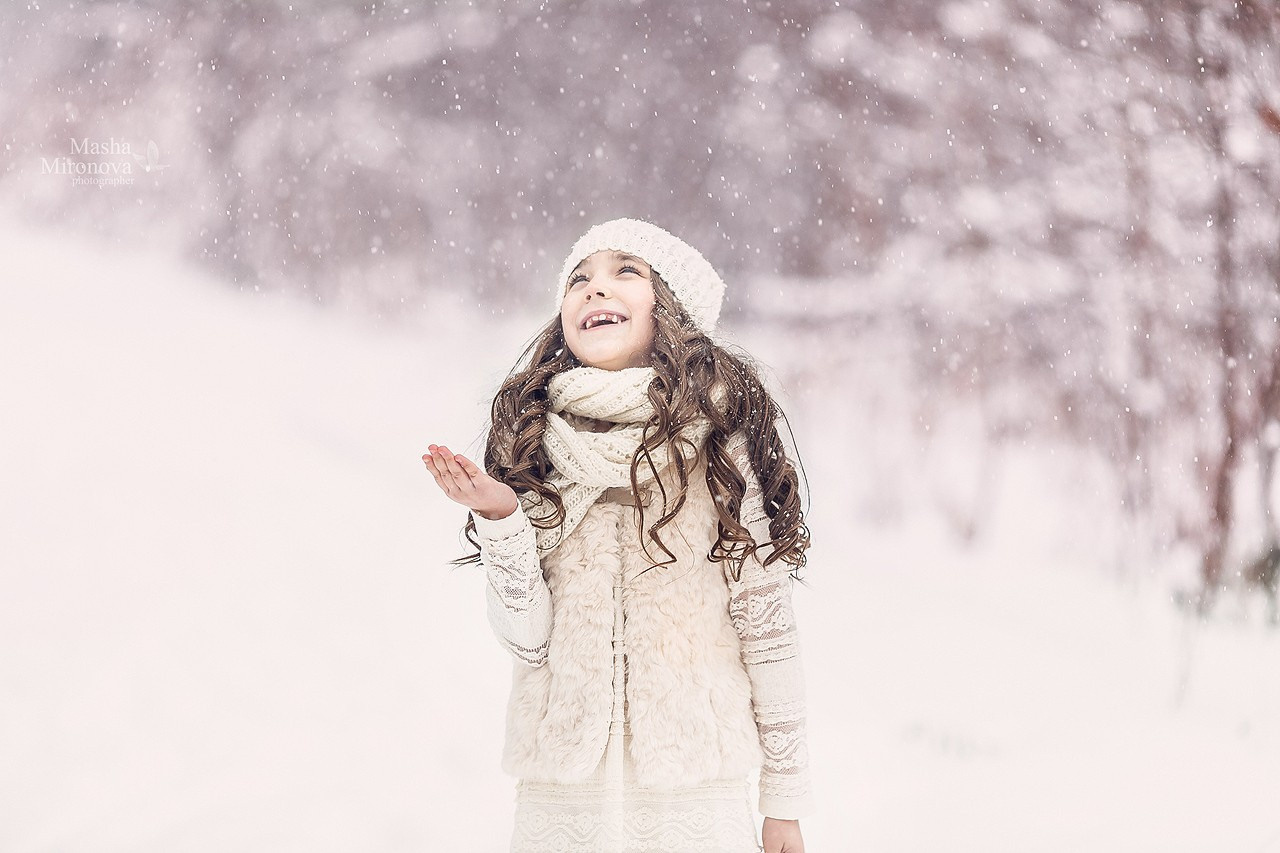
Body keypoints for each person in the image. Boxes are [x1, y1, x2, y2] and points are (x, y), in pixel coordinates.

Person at [422, 217, 815, 853]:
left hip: (694, 805)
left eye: (624, 272)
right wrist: (502, 521)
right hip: (561, 809)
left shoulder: (719, 448)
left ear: (672, 308)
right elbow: (527, 643)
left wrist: (784, 802)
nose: (595, 289)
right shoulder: (539, 448)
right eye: (579, 280)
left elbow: (767, 630)